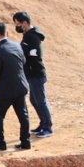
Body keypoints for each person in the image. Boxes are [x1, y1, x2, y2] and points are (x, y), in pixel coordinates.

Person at [0, 21, 30, 152]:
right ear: (7, 33)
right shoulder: (16, 45)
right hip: (21, 86)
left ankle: (0, 143)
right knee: (23, 114)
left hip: (6, 90)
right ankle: (26, 142)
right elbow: (23, 62)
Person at [12, 11, 53, 139]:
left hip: (36, 74)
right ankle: (42, 123)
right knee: (34, 100)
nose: (17, 27)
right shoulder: (27, 35)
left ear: (24, 23)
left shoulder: (33, 36)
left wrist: (26, 53)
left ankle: (48, 127)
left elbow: (34, 54)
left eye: (18, 24)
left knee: (40, 101)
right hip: (30, 74)